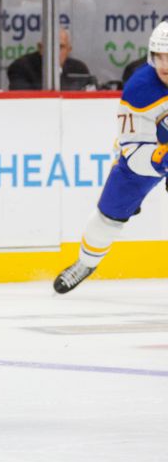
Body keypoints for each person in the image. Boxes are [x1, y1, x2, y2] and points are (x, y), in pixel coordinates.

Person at [54, 21, 168, 294]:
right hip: (146, 155)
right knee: (109, 217)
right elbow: (131, 150)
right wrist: (161, 159)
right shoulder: (140, 88)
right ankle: (86, 262)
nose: (165, 64)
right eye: (160, 56)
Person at [7, 27, 91, 90]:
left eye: (60, 47)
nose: (55, 51)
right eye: (51, 46)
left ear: (69, 50)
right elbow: (22, 100)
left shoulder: (79, 69)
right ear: (40, 48)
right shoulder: (21, 67)